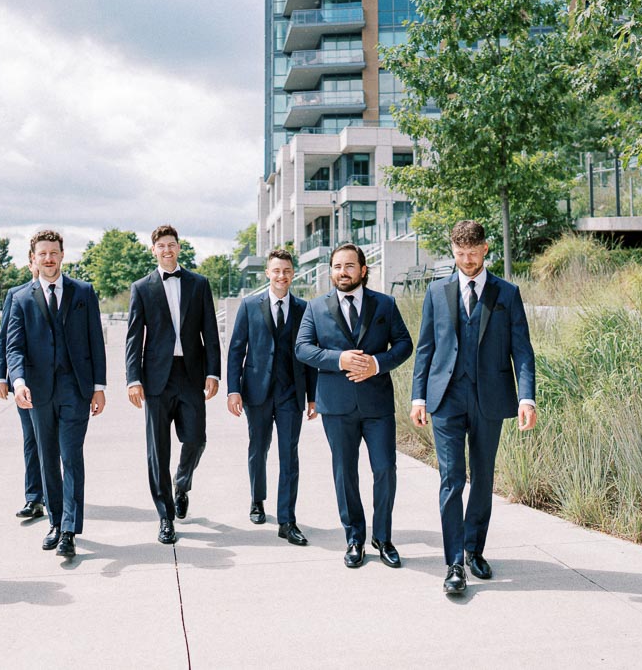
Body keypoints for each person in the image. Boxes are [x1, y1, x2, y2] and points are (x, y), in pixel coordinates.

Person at [410, 220, 537, 596]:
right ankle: (453, 564)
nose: (466, 261)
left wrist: (526, 397)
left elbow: (523, 352)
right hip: (445, 399)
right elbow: (426, 348)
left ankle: (474, 550)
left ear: (485, 249)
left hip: (490, 399)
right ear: (453, 251)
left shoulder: (507, 294)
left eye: (472, 253)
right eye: (459, 254)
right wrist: (418, 397)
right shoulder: (437, 291)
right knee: (452, 479)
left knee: (483, 478)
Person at [295, 242, 412, 569]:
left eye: (349, 266)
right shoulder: (316, 308)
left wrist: (377, 363)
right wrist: (338, 359)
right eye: (336, 266)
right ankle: (354, 537)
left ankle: (383, 537)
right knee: (345, 473)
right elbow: (302, 349)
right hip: (336, 405)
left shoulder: (385, 305)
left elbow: (404, 344)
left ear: (362, 270)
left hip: (377, 405)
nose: (342, 272)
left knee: (385, 469)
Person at [6, 230, 107, 559]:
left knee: (71, 457)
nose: (48, 258)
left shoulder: (83, 292)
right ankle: (53, 521)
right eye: (42, 253)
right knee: (47, 458)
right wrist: (18, 381)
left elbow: (96, 343)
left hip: (75, 390)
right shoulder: (21, 298)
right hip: (38, 392)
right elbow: (14, 347)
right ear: (33, 258)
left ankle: (68, 530)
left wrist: (99, 388)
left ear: (63, 255)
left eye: (54, 252)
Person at [125, 224, 220, 545]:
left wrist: (214, 372)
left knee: (196, 439)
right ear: (154, 250)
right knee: (158, 451)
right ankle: (165, 516)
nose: (167, 250)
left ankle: (182, 482)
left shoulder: (199, 284)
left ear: (179, 248)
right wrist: (132, 379)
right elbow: (134, 338)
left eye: (172, 245)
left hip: (191, 375)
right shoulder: (142, 288)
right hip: (155, 380)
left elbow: (211, 332)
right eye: (161, 246)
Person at [226, 248, 317, 545]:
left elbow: (311, 355)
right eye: (276, 271)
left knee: (289, 455)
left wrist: (313, 397)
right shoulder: (250, 305)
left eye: (287, 271)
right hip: (257, 391)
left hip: (291, 393)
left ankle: (287, 519)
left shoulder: (305, 308)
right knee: (259, 448)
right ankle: (257, 499)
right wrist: (233, 389)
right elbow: (236, 349)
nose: (282, 276)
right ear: (267, 273)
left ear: (293, 274)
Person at [0, 251, 45, 521]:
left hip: (55, 382)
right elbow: (6, 339)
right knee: (31, 438)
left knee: (53, 440)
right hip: (24, 380)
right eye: (38, 259)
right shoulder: (16, 295)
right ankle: (34, 497)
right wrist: (1, 377)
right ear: (31, 264)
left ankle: (52, 489)